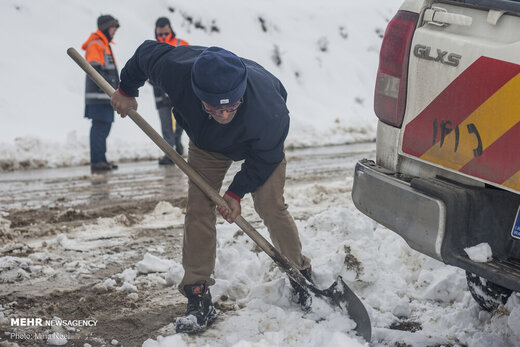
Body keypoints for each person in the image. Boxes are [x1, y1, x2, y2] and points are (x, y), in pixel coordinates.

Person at [110, 41, 312, 333]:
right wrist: (126, 91)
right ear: (198, 93)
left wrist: (235, 193)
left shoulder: (270, 112)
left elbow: (266, 157)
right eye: (214, 109)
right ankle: (197, 294)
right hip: (207, 146)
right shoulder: (175, 69)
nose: (225, 116)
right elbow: (144, 54)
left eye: (231, 107)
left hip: (258, 146)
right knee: (199, 209)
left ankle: (300, 272)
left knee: (270, 205)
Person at [82, 14, 120, 172]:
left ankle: (101, 159)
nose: (115, 31)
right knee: (99, 128)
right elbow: (95, 71)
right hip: (98, 97)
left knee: (104, 128)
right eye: (113, 28)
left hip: (105, 96)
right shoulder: (96, 44)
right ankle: (97, 161)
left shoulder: (104, 44)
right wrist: (111, 85)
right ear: (106, 28)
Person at [153, 17, 189, 165]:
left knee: (181, 120)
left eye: (165, 33)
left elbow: (190, 64)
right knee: (165, 124)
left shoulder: (181, 44)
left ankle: (177, 142)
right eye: (160, 34)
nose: (162, 36)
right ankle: (169, 154)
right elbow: (147, 68)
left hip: (178, 91)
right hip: (160, 92)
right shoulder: (153, 47)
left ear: (170, 29)